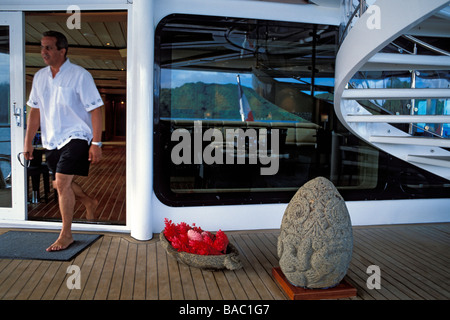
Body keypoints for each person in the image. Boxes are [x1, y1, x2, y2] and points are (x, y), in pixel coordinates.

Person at [24, 31, 104, 252]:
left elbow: (96, 109)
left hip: (77, 135)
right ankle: (89, 201)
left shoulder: (80, 75)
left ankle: (66, 234)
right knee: (60, 184)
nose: (43, 52)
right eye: (42, 47)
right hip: (51, 139)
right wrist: (28, 142)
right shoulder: (40, 77)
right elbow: (35, 112)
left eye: (48, 48)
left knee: (61, 181)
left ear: (62, 50)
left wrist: (96, 143)